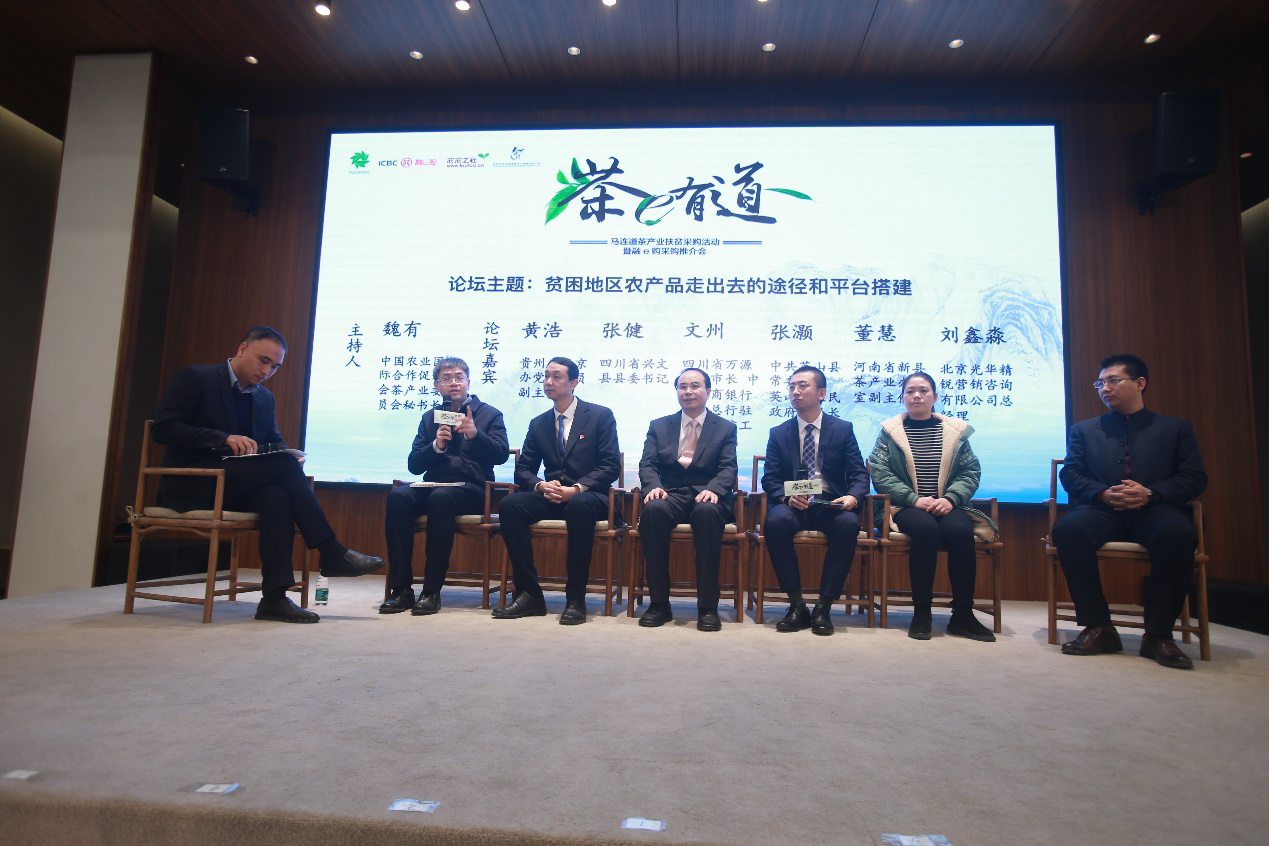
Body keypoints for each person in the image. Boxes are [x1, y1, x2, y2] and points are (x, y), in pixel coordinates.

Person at [151, 327, 383, 624]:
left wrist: (291, 456)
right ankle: (330, 550)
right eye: (263, 361)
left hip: (236, 485)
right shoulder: (196, 378)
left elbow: (273, 443)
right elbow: (163, 428)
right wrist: (222, 438)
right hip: (195, 482)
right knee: (282, 470)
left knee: (278, 496)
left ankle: (274, 599)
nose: (267, 371)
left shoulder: (264, 398)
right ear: (242, 349)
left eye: (275, 367)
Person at [1052, 354, 1208, 669]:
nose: (1104, 388)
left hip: (1156, 509)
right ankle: (1099, 627)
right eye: (1100, 383)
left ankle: (1158, 635)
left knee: (1179, 534)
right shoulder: (1084, 430)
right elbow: (1071, 474)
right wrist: (1103, 493)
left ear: (1140, 383)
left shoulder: (1175, 429)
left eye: (1113, 380)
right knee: (1067, 530)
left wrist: (1150, 493)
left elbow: (1194, 478)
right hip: (1102, 509)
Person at [868, 371, 997, 642]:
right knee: (925, 530)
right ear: (903, 397)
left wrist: (950, 499)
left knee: (960, 530)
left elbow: (970, 472)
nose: (916, 396)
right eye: (910, 391)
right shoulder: (890, 432)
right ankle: (922, 612)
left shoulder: (954, 432)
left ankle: (963, 614)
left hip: (947, 504)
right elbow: (880, 473)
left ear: (935, 396)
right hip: (904, 507)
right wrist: (914, 499)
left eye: (923, 390)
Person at [493, 357, 621, 625]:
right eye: (546, 376)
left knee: (579, 505)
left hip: (591, 497)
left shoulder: (600, 416)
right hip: (552, 496)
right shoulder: (539, 423)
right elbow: (523, 469)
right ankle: (530, 594)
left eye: (556, 377)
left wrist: (576, 488)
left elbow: (610, 466)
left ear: (573, 383)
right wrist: (541, 485)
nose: (548, 382)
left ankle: (575, 599)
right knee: (510, 506)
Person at [379, 357, 509, 615]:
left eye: (459, 377)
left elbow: (501, 454)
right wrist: (436, 445)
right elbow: (414, 465)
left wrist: (474, 434)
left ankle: (431, 590)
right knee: (398, 498)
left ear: (469, 382)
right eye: (447, 379)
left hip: (471, 490)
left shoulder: (490, 414)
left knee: (440, 498)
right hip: (433, 485)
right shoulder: (430, 417)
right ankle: (401, 589)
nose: (454, 383)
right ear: (437, 386)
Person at [760, 365, 868, 635]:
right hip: (793, 505)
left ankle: (824, 606)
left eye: (802, 385)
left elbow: (858, 474)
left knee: (848, 524)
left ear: (821, 393)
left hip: (829, 503)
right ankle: (797, 605)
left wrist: (853, 497)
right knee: (774, 522)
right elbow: (770, 479)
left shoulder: (842, 429)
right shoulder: (778, 432)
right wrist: (787, 497)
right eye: (792, 386)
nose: (795, 392)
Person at [636, 368, 738, 632]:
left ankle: (707, 608)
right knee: (653, 510)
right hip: (671, 493)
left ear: (708, 391)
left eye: (695, 386)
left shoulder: (725, 427)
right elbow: (648, 464)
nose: (688, 391)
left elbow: (728, 467)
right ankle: (659, 603)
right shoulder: (659, 425)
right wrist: (653, 487)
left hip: (707, 494)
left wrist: (715, 489)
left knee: (707, 512)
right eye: (683, 387)